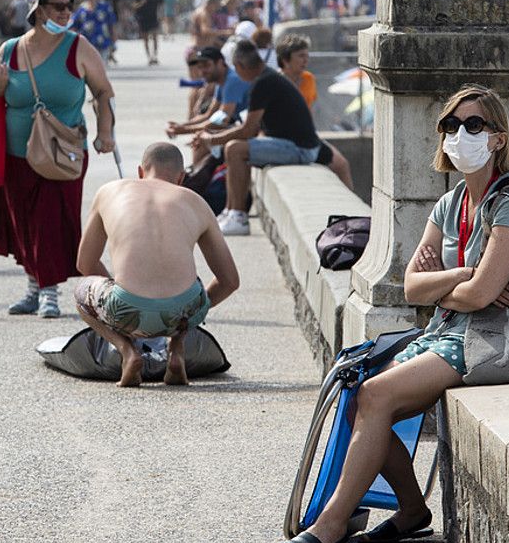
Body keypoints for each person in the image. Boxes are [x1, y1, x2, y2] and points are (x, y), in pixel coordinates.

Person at [280, 84, 509, 543]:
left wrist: (452, 285)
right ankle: (411, 510)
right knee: (357, 390)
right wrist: (465, 274)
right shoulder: (450, 205)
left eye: (473, 125)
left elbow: (483, 296)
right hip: (451, 330)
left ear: (498, 139)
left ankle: (333, 522)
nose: (459, 134)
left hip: (500, 339)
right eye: (451, 125)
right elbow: (412, 288)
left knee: (374, 395)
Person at [0, 0, 116, 318]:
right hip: (17, 154)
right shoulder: (10, 50)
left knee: (51, 222)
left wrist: (105, 132)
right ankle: (33, 287)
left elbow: (102, 92)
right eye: (58, 6)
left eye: (69, 6)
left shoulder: (78, 47)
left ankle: (49, 292)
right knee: (23, 222)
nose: (66, 12)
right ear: (38, 11)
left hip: (63, 153)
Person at [75, 142, 241, 387]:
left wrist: (120, 292)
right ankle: (176, 350)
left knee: (82, 290)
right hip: (182, 313)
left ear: (141, 171)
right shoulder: (196, 202)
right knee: (191, 286)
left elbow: (85, 263)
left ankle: (128, 352)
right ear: (181, 177)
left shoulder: (109, 192)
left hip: (125, 309)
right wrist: (194, 312)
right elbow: (229, 281)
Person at [197, 41, 350, 237]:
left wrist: (212, 140)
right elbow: (250, 129)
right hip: (296, 144)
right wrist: (215, 137)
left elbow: (246, 130)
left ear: (240, 66)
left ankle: (238, 216)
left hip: (300, 149)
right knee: (236, 148)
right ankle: (230, 211)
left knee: (235, 149)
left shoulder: (263, 83)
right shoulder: (267, 78)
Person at [73, 0, 117, 65]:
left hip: (103, 42)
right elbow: (75, 25)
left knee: (101, 66)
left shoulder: (105, 6)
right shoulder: (82, 9)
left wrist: (114, 40)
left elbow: (112, 23)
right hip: (86, 43)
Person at [276, 34, 317, 107]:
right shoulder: (274, 83)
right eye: (301, 56)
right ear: (285, 60)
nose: (306, 60)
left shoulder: (309, 78)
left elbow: (310, 109)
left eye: (307, 56)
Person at [133, 0, 164, 66]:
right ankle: (149, 57)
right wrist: (141, 3)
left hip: (154, 19)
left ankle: (154, 56)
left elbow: (161, 6)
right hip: (143, 19)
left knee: (155, 38)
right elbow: (134, 6)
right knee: (145, 39)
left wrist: (161, 17)